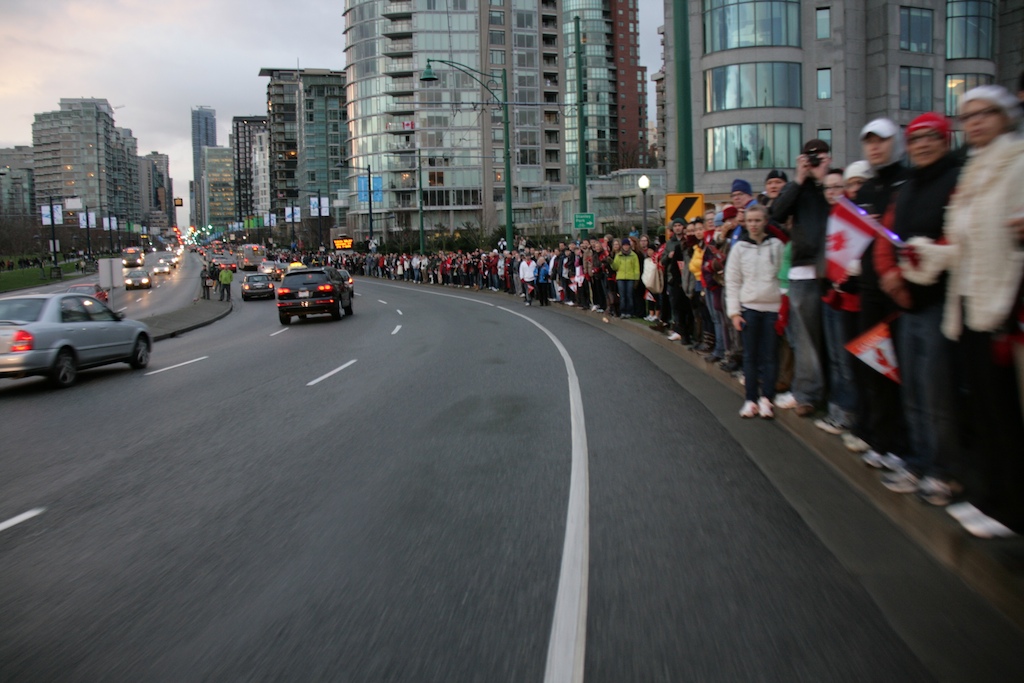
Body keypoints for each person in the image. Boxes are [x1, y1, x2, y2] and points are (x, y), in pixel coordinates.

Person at [902, 85, 1024, 537]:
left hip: (1004, 305)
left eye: (985, 113)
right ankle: (990, 499)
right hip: (969, 302)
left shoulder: (1018, 162)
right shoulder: (972, 172)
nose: (974, 122)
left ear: (1006, 116)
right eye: (967, 115)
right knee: (985, 411)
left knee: (1004, 414)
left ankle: (1010, 508)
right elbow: (958, 245)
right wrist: (923, 254)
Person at [873, 112, 961, 497]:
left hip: (942, 301)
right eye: (916, 138)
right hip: (906, 303)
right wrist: (890, 275)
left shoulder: (958, 180)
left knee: (937, 390)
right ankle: (919, 461)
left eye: (931, 137)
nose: (923, 144)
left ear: (945, 140)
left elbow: (961, 235)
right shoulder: (906, 186)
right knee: (912, 388)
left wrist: (923, 265)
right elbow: (885, 237)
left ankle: (942, 470)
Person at [771, 139, 833, 417]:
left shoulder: (833, 183)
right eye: (810, 157)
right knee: (804, 338)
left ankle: (830, 396)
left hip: (833, 272)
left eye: (819, 157)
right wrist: (799, 179)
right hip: (802, 271)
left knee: (832, 338)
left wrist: (822, 181)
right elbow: (777, 214)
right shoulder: (798, 188)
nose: (814, 162)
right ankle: (806, 394)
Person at [726, 204, 783, 418]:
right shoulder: (740, 248)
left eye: (758, 220)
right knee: (750, 356)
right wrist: (734, 313)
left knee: (770, 356)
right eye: (750, 221)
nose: (754, 224)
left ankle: (767, 398)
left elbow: (783, 277)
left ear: (765, 221)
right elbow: (733, 281)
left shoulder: (776, 246)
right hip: (749, 308)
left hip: (773, 309)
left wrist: (783, 309)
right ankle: (751, 399)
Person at [660, 219, 689, 343]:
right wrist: (669, 256)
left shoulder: (688, 241)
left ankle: (687, 331)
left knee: (687, 307)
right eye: (675, 226)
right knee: (675, 305)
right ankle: (677, 329)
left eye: (679, 225)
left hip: (687, 277)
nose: (677, 228)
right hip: (673, 278)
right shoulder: (670, 243)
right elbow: (662, 260)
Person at [611, 237, 640, 318]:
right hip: (621, 277)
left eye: (627, 245)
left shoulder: (633, 255)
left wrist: (636, 279)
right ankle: (623, 311)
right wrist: (611, 263)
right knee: (622, 295)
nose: (626, 247)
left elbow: (636, 268)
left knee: (629, 295)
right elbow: (615, 267)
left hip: (630, 278)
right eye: (624, 245)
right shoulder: (618, 255)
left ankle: (629, 312)